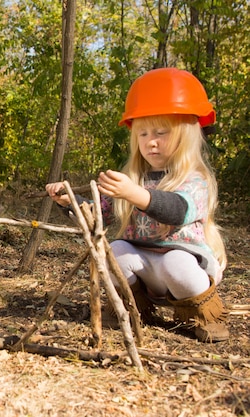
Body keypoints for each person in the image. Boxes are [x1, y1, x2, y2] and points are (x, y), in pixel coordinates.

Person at [46, 68, 228, 342]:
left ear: (187, 135)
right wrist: (69, 200)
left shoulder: (195, 179)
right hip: (144, 269)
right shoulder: (133, 179)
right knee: (116, 249)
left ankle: (202, 316)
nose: (151, 142)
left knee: (176, 262)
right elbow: (100, 215)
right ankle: (133, 309)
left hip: (183, 267)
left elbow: (177, 210)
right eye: (142, 134)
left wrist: (134, 193)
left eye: (161, 132)